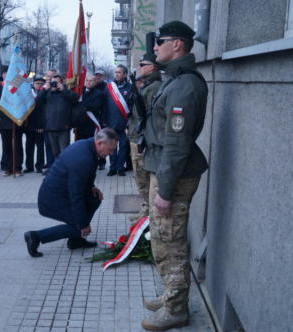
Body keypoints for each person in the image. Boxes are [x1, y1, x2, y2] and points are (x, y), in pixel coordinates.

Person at [140, 21, 209, 331]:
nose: (155, 47)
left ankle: (177, 308)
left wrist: (165, 191)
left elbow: (177, 145)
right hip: (163, 168)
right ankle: (171, 293)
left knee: (171, 241)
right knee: (162, 238)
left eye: (161, 41)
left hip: (174, 175)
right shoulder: (174, 79)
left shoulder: (184, 84)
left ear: (178, 44)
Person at [24, 128, 118, 257]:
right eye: (110, 149)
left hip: (63, 192)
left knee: (94, 198)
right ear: (100, 143)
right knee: (79, 227)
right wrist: (83, 224)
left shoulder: (88, 147)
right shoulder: (83, 158)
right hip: (52, 199)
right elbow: (76, 195)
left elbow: (83, 178)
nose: (111, 153)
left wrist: (91, 187)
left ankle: (76, 241)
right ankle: (36, 236)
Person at [128, 54, 161, 223]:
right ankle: (145, 209)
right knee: (140, 179)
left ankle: (148, 215)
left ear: (152, 67)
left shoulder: (154, 87)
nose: (139, 67)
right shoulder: (145, 86)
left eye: (143, 64)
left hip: (143, 141)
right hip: (136, 137)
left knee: (144, 179)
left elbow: (150, 118)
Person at [37, 74, 78, 160]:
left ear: (62, 83)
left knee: (64, 151)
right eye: (53, 82)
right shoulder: (47, 93)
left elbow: (75, 98)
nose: (55, 84)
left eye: (57, 82)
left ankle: (65, 171)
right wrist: (44, 89)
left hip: (63, 127)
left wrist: (63, 89)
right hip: (50, 127)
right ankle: (58, 170)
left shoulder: (66, 92)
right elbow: (37, 101)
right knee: (55, 152)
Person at [103, 64, 132, 176]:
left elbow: (131, 106)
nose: (117, 74)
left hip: (124, 122)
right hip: (111, 122)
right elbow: (104, 105)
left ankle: (120, 167)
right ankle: (112, 167)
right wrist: (104, 120)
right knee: (112, 145)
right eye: (116, 72)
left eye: (119, 72)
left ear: (125, 74)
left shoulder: (129, 87)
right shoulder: (109, 87)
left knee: (124, 146)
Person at [23, 77, 45, 173]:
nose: (39, 85)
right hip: (29, 125)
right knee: (29, 147)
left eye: (41, 83)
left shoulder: (45, 94)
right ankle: (29, 166)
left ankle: (39, 166)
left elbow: (44, 112)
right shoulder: (28, 94)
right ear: (33, 84)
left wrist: (41, 125)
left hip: (39, 125)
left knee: (40, 147)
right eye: (37, 83)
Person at [75, 74, 105, 141]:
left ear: (95, 82)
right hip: (80, 125)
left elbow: (95, 106)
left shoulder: (99, 94)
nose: (88, 82)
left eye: (91, 81)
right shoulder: (80, 92)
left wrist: (82, 104)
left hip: (92, 124)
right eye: (87, 80)